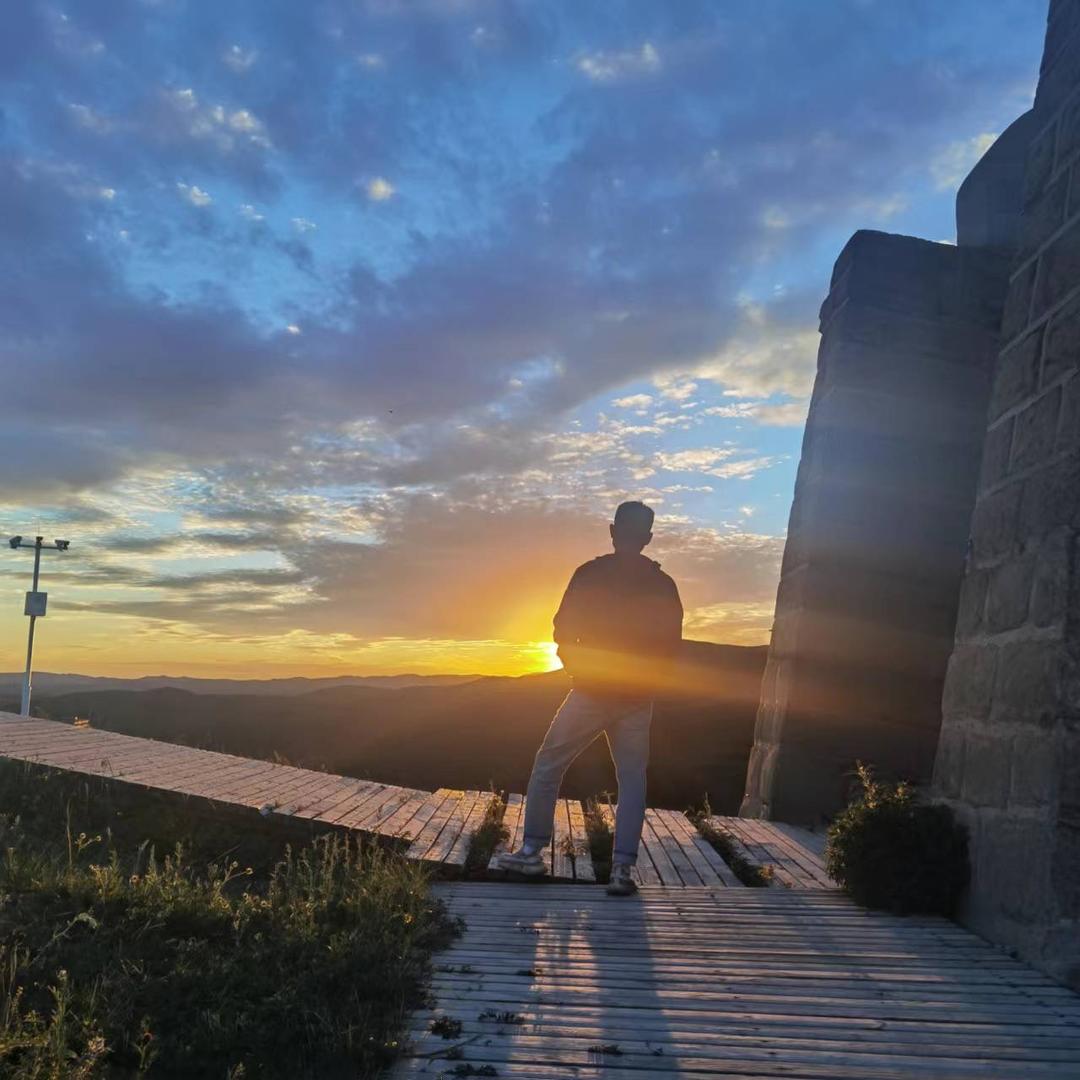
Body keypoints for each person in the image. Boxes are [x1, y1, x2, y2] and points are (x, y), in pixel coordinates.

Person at [498, 501, 683, 895]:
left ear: (613, 531)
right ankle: (622, 871)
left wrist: (577, 669)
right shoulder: (663, 585)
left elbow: (563, 627)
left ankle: (531, 853)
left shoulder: (589, 574)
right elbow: (671, 644)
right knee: (632, 779)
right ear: (648, 537)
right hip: (638, 697)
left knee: (549, 764)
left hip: (591, 690)